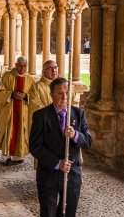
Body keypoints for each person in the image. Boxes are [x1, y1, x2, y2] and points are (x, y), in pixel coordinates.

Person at [29, 77, 92, 217]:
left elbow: (88, 141)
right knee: (48, 213)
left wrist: (75, 134)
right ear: (51, 95)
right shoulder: (41, 116)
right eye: (59, 93)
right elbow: (35, 147)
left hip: (72, 174)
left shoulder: (78, 114)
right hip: (48, 174)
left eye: (67, 92)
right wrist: (57, 163)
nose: (64, 97)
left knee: (68, 213)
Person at [0, 56, 35, 166]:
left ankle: (19, 156)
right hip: (10, 110)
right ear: (16, 64)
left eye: (24, 66)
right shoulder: (8, 76)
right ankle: (9, 155)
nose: (22, 68)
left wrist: (26, 96)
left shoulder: (30, 79)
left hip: (24, 111)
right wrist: (11, 94)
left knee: (21, 131)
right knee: (10, 131)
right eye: (20, 65)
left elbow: (34, 96)